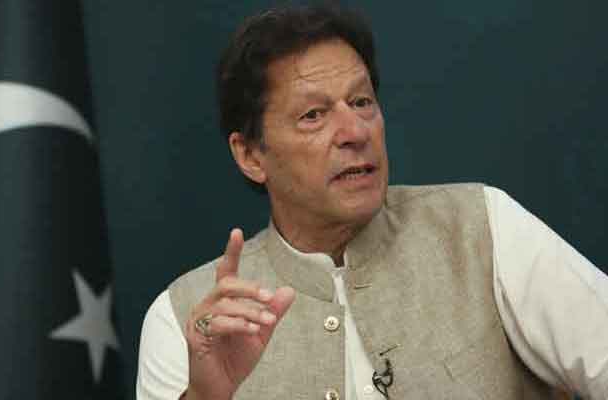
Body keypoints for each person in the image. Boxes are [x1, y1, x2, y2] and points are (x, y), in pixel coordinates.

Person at [136, 3, 608, 400]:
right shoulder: (186, 319)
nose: (355, 132)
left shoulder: (482, 226)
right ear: (250, 155)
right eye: (313, 115)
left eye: (361, 102)